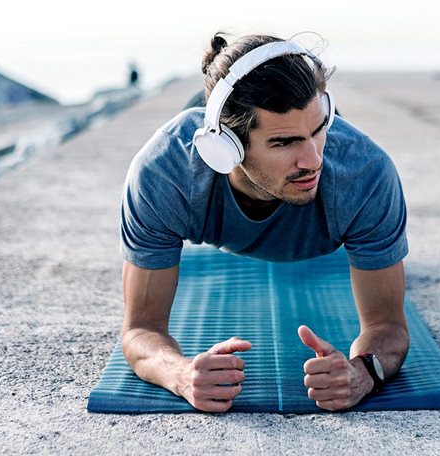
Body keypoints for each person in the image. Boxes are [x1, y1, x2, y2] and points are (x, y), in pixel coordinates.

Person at [119, 33, 409, 412]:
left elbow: (389, 327)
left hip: (332, 198)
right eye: (284, 142)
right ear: (227, 147)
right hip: (213, 150)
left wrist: (362, 372)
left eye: (319, 129)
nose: (313, 159)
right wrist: (181, 374)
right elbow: (141, 330)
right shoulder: (166, 173)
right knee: (202, 107)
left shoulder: (364, 173)